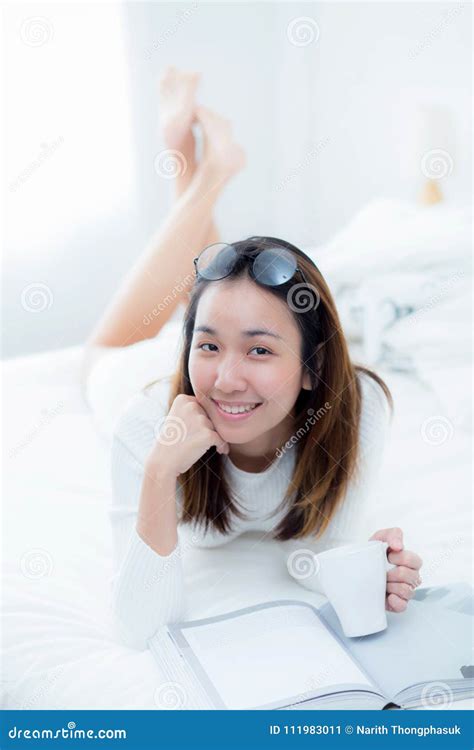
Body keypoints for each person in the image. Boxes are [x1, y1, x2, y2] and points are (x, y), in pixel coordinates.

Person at [85, 68, 423, 650]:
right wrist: (160, 471)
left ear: (314, 366)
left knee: (225, 283)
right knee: (103, 351)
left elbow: (322, 549)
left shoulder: (357, 409)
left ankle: (199, 164)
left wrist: (375, 569)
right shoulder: (143, 427)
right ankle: (204, 169)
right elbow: (140, 626)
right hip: (122, 375)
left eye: (261, 350)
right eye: (207, 345)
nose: (226, 378)